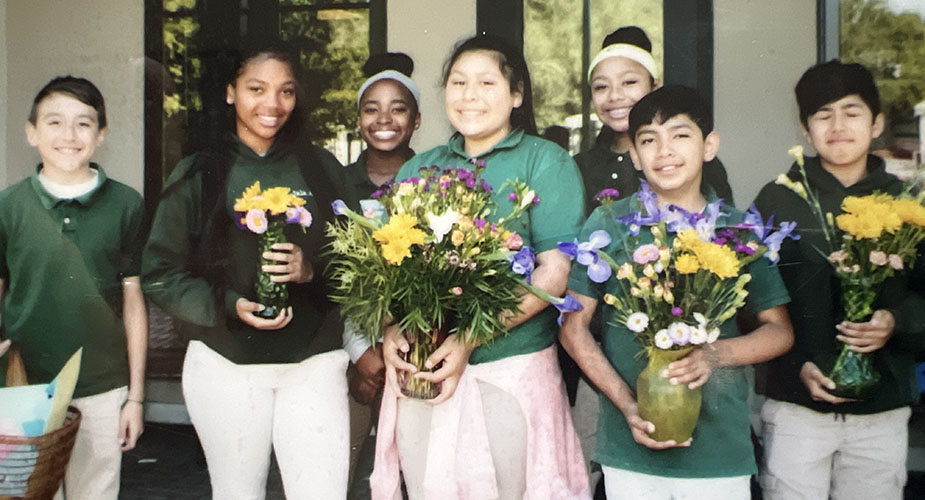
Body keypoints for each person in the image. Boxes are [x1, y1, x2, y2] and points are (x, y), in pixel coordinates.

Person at [371, 34, 591, 500]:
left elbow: (552, 273)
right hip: (425, 371)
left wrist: (468, 338)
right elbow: (392, 270)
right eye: (458, 82)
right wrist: (393, 328)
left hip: (510, 370)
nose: (469, 95)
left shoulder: (545, 162)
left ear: (516, 95)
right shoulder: (419, 170)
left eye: (487, 82)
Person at [560, 85, 794, 500]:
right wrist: (627, 405)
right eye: (649, 140)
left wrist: (715, 355)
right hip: (631, 447)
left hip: (719, 450)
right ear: (634, 155)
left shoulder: (738, 231)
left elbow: (779, 331)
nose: (664, 151)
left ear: (709, 145)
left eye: (680, 135)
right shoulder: (611, 221)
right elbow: (573, 328)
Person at [141, 39, 347, 499]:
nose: (272, 104)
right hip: (225, 364)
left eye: (286, 91)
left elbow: (359, 265)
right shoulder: (200, 173)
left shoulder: (321, 169)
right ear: (231, 91)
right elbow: (160, 272)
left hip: (311, 361)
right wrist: (227, 304)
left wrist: (311, 270)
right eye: (257, 88)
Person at [753, 60, 925, 500]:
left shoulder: (908, 203)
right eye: (823, 114)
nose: (838, 126)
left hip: (882, 410)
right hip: (796, 410)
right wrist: (797, 367)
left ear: (877, 122)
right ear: (805, 129)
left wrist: (895, 321)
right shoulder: (780, 199)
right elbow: (751, 304)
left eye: (852, 112)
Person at [0, 76, 147, 500]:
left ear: (101, 135)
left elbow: (134, 302)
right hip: (23, 388)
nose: (69, 136)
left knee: (95, 492)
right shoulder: (9, 207)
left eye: (83, 124)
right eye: (54, 122)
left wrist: (135, 398)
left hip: (102, 388)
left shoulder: (126, 204)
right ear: (31, 132)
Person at [332, 51, 422, 500]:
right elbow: (329, 278)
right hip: (353, 354)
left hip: (418, 352)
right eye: (372, 108)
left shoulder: (436, 181)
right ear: (359, 118)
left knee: (416, 472)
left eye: (398, 108)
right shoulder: (336, 185)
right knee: (337, 472)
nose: (384, 119)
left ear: (417, 119)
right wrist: (360, 353)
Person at [574, 26, 733, 211]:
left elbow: (726, 229)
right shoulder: (579, 166)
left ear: (655, 86)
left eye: (629, 82)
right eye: (601, 87)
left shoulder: (695, 161)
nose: (614, 96)